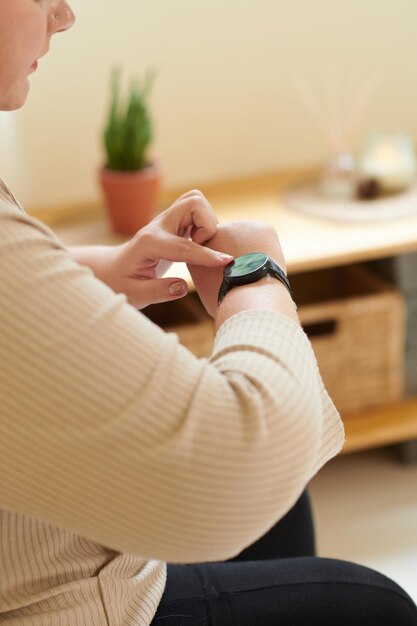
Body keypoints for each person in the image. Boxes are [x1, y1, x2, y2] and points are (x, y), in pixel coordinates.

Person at [0, 2, 416, 625]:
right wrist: (259, 277)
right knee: (373, 605)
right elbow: (227, 471)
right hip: (53, 600)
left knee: (284, 506)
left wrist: (93, 271)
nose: (63, 14)